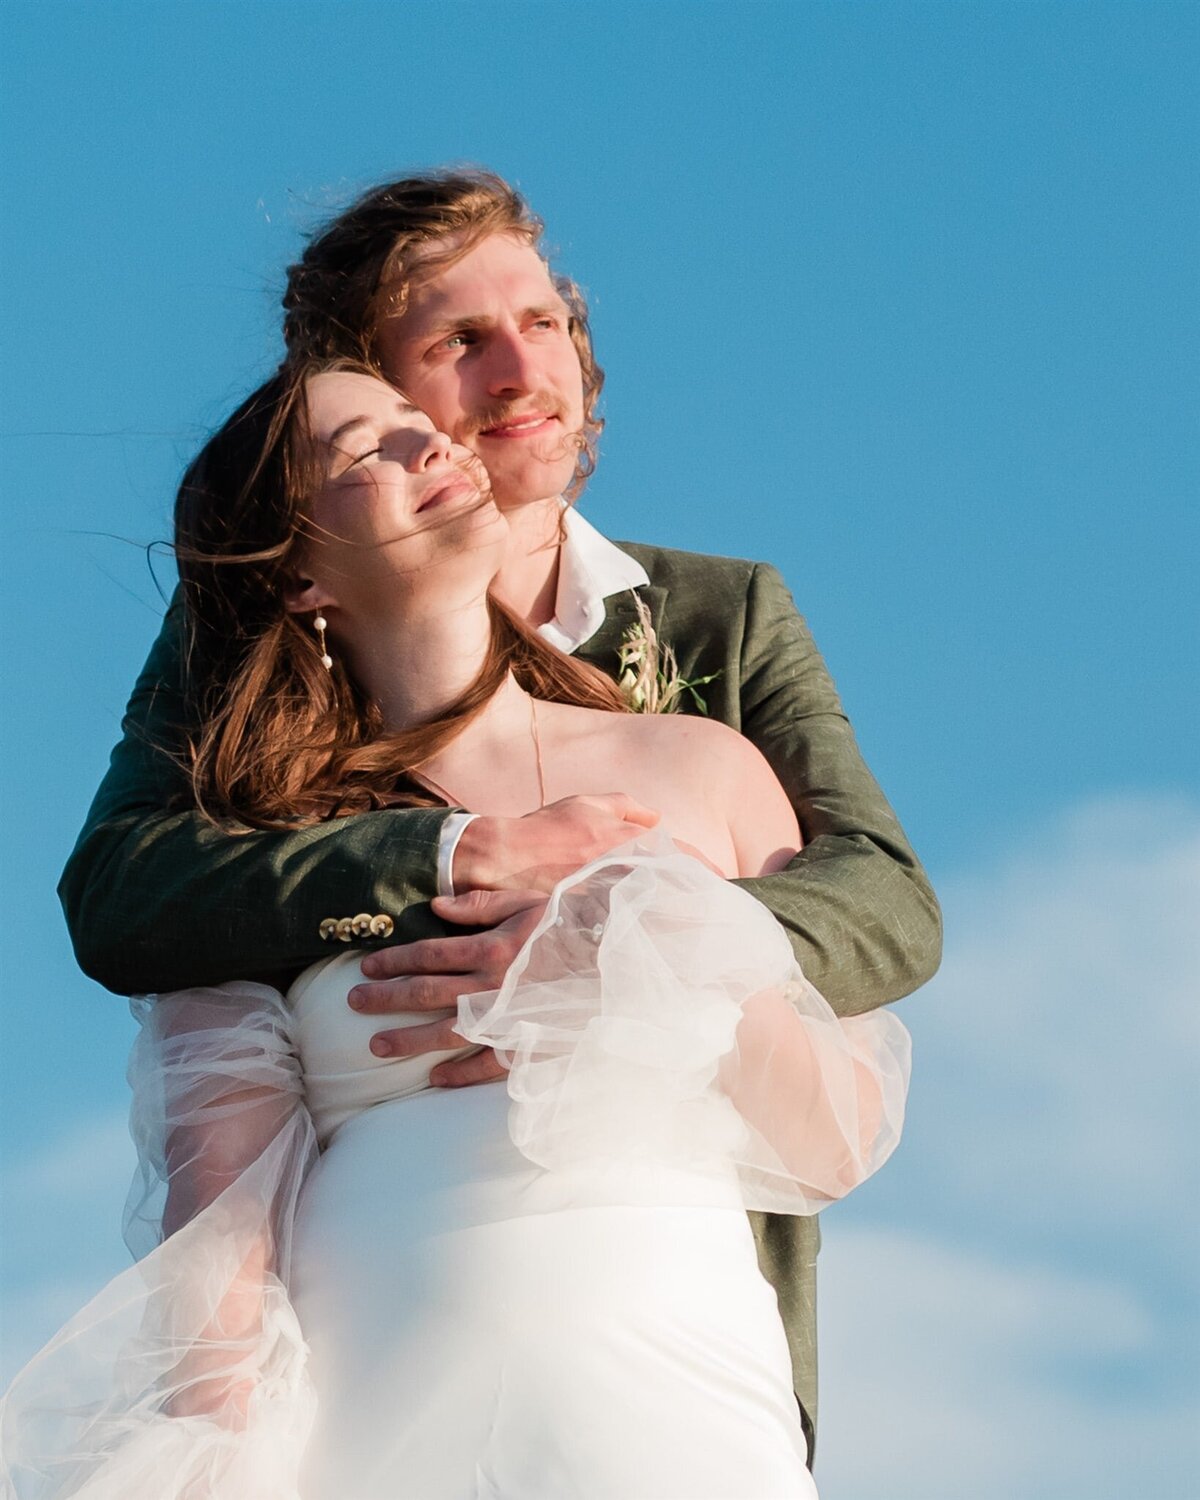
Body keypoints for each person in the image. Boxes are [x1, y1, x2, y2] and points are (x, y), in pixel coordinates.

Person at [57, 169, 942, 1449]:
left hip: (675, 1330)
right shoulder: (261, 651)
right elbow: (131, 887)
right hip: (379, 1357)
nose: (522, 372)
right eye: (457, 342)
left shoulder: (719, 622)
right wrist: (453, 859)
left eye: (543, 323)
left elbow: (886, 900)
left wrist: (620, 946)